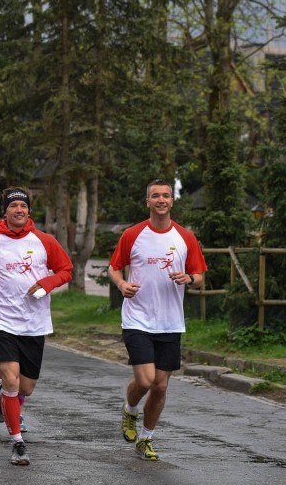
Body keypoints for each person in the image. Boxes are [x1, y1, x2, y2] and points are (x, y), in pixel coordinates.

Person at [0, 187, 73, 466]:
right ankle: (17, 443)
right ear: (5, 211)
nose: (19, 210)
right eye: (13, 206)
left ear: (28, 210)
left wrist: (47, 283)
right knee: (12, 381)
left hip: (34, 323)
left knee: (25, 388)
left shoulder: (44, 241)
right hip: (1, 320)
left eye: (23, 206)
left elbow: (66, 269)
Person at [108, 178, 207, 461]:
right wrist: (121, 284)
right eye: (155, 196)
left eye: (166, 195)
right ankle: (130, 410)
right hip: (137, 319)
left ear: (172, 201)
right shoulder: (133, 234)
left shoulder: (186, 237)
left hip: (170, 322)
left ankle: (146, 438)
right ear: (148, 202)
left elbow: (199, 276)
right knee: (146, 380)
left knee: (161, 386)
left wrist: (190, 278)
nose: (161, 200)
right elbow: (114, 268)